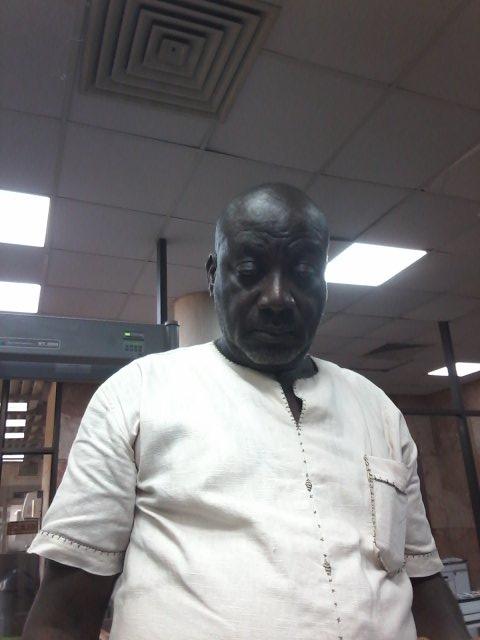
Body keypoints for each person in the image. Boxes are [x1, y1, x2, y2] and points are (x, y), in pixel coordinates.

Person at [23, 184, 469, 640]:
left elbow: (424, 579)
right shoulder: (136, 395)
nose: (277, 297)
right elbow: (62, 619)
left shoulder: (378, 410)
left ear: (324, 285)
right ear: (214, 275)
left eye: (303, 272)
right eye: (251, 270)